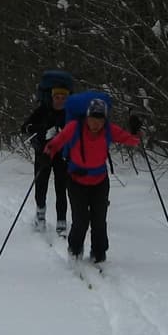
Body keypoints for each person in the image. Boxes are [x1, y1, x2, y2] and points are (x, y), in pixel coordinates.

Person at [44, 96, 141, 264]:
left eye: (100, 120)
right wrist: (49, 151)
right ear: (86, 117)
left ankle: (99, 254)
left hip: (100, 183)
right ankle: (75, 251)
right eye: (92, 119)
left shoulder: (108, 130)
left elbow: (131, 140)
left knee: (99, 221)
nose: (96, 124)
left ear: (104, 120)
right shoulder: (74, 128)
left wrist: (136, 131)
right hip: (77, 182)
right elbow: (57, 142)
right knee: (81, 220)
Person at [21, 75, 71, 233]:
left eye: (64, 97)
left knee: (61, 188)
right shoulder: (43, 110)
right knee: (41, 185)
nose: (60, 100)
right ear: (52, 97)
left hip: (62, 155)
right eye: (57, 97)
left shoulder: (70, 113)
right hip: (43, 153)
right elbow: (25, 128)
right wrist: (42, 130)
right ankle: (40, 215)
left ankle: (61, 222)